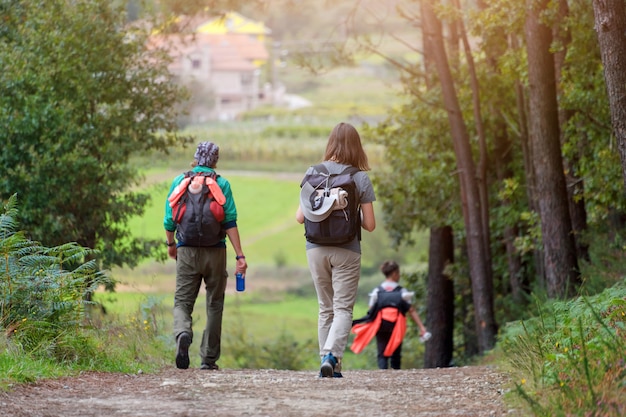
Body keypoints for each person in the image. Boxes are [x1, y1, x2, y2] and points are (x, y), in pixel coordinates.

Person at [295, 122, 376, 378]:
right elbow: (370, 225)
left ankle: (326, 364)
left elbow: (299, 217)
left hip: (315, 248)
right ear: (356, 146)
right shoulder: (359, 177)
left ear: (330, 143)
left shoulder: (312, 172)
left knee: (325, 308)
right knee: (343, 309)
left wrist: (324, 206)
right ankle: (332, 356)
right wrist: (348, 212)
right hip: (347, 249)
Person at [164, 141, 248, 370]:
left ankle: (183, 333)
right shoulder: (222, 184)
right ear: (215, 161)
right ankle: (208, 359)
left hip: (186, 250)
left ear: (195, 158)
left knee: (182, 301)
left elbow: (169, 220)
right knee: (214, 303)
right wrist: (240, 255)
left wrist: (171, 244)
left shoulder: (179, 182)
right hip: (216, 251)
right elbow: (230, 220)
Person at [351, 260, 427, 370]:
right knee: (396, 352)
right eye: (399, 273)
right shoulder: (402, 291)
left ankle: (383, 375)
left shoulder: (377, 291)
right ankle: (396, 376)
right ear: (395, 273)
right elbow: (411, 310)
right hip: (397, 326)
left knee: (382, 352)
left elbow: (371, 310)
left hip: (380, 324)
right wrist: (421, 327)